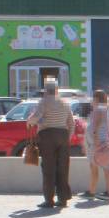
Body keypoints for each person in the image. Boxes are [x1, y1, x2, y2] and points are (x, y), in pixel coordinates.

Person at [27, 79, 75, 209]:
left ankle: (49, 200)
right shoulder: (65, 103)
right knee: (63, 168)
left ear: (46, 90)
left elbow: (36, 117)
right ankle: (63, 199)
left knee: (49, 168)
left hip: (47, 136)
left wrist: (29, 121)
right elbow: (71, 123)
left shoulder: (44, 101)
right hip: (63, 136)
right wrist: (68, 137)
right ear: (57, 89)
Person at [79, 89, 109, 201]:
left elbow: (96, 125)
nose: (92, 100)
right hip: (102, 141)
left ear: (97, 99)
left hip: (99, 143)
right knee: (103, 167)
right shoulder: (104, 108)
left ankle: (101, 192)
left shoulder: (99, 109)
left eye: (93, 97)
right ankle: (100, 191)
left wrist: (94, 138)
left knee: (99, 167)